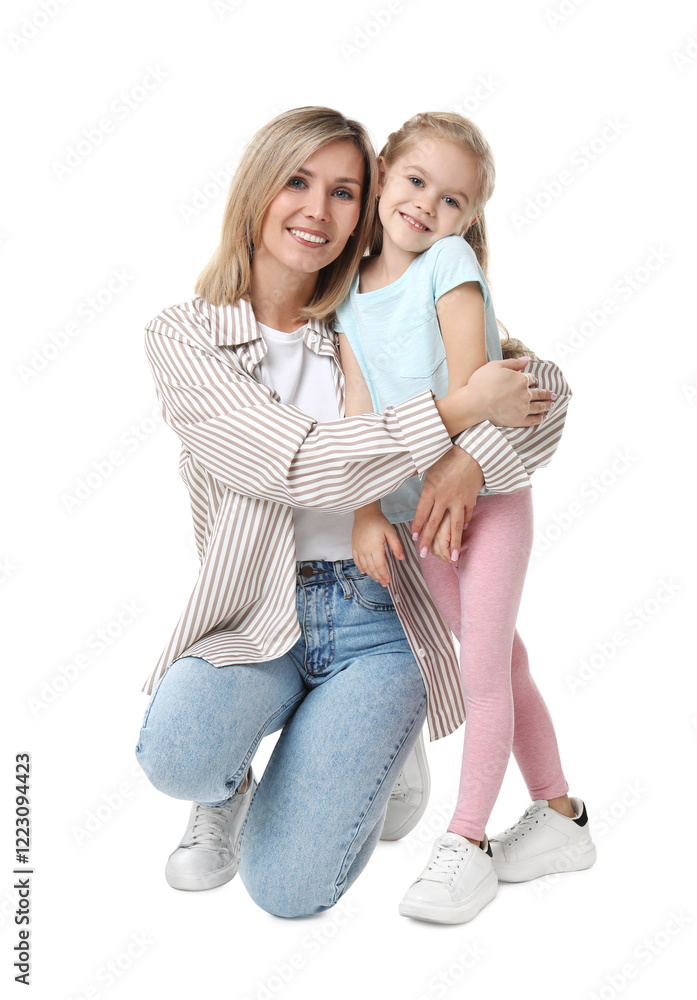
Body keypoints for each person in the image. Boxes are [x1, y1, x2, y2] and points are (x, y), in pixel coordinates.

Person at [133, 106, 557, 919]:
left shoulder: (371, 310)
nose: (316, 210)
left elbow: (544, 391)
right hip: (261, 609)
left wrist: (470, 454)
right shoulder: (185, 339)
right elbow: (290, 461)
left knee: (288, 894)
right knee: (180, 754)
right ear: (255, 192)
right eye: (296, 182)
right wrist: (455, 415)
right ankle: (230, 782)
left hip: (385, 609)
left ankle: (375, 744)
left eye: (342, 191)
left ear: (365, 209)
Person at [335, 111, 596, 925]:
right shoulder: (344, 297)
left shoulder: (446, 263)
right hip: (420, 521)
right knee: (501, 665)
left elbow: (473, 384)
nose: (426, 207)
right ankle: (558, 816)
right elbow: (354, 415)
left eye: (452, 201)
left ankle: (465, 840)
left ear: (466, 220)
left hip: (483, 499)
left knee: (480, 672)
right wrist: (365, 510)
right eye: (415, 182)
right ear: (383, 172)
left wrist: (459, 466)